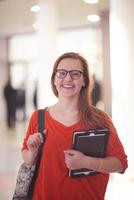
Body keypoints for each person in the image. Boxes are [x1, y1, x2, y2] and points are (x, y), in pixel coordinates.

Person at [22, 52, 128, 200]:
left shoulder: (99, 119)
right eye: (61, 73)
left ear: (84, 80)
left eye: (75, 74)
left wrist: (87, 162)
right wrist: (32, 152)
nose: (67, 78)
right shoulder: (38, 118)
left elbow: (120, 164)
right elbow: (27, 158)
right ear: (54, 79)